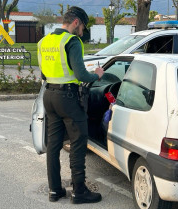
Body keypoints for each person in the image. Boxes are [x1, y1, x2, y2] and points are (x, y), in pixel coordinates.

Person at [37, 6, 104, 204]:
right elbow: (82, 75)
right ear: (76, 22)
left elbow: (43, 73)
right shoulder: (71, 41)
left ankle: (55, 190)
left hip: (49, 95)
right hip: (67, 98)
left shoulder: (44, 41)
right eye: (83, 25)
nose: (82, 30)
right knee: (78, 142)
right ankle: (79, 192)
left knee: (54, 145)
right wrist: (97, 74)